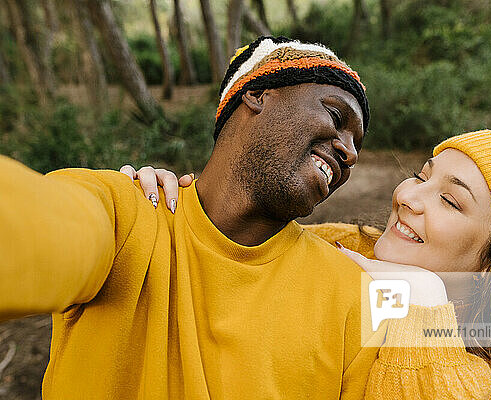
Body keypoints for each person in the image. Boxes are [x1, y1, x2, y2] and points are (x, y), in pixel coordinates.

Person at [0, 36, 384, 399]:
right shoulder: (126, 216)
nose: (349, 152)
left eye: (357, 144)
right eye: (335, 115)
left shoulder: (348, 289)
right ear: (256, 95)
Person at [131, 129, 491, 399]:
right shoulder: (342, 247)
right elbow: (222, 250)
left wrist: (423, 304)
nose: (407, 196)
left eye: (451, 202)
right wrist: (174, 202)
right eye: (421, 176)